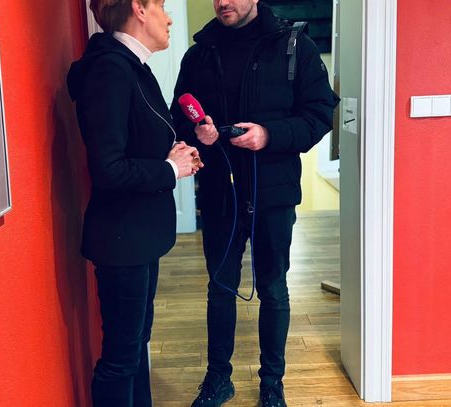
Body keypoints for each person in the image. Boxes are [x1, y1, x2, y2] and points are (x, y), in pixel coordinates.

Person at [171, 0, 339, 406]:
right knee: (219, 288)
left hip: (274, 192)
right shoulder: (199, 54)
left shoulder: (295, 46)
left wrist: (269, 135)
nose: (222, 2)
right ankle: (218, 379)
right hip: (220, 192)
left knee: (273, 289)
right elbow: (178, 116)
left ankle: (272, 383)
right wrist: (198, 134)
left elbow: (319, 115)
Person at [67, 0, 203, 405]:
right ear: (138, 9)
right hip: (121, 238)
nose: (169, 17)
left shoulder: (133, 66)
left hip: (139, 236)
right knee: (121, 359)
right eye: (161, 5)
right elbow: (109, 168)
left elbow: (138, 142)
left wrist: (177, 151)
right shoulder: (110, 70)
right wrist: (170, 169)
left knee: (136, 343)